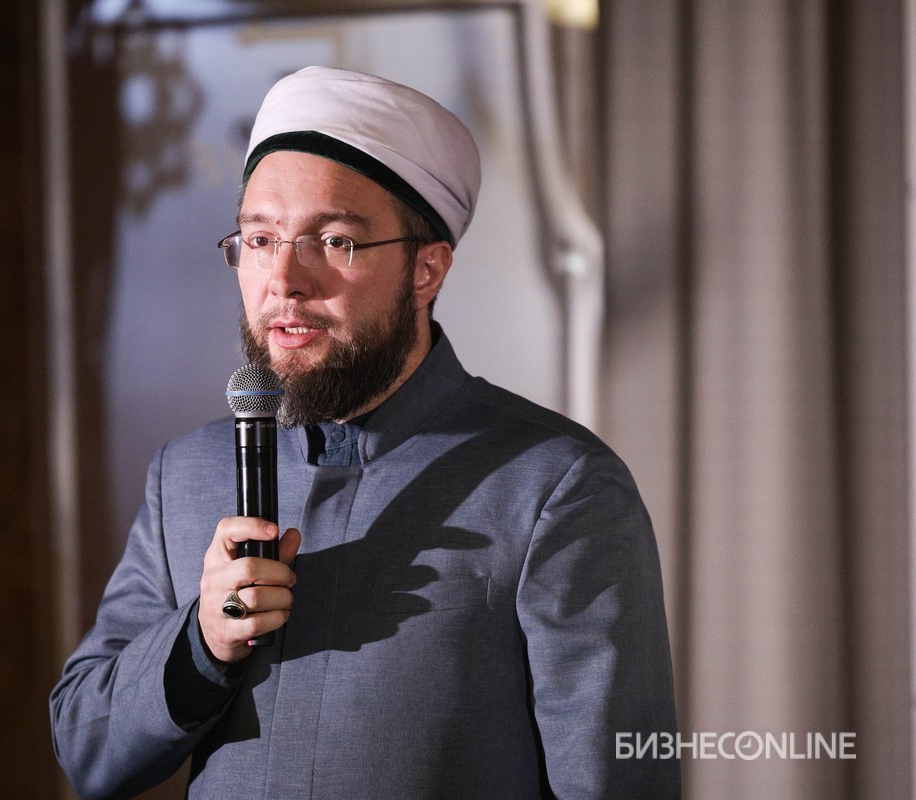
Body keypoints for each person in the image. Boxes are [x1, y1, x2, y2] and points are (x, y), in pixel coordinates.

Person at [51, 66, 679, 799]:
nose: (284, 279)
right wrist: (204, 641)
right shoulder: (187, 473)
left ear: (426, 270)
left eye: (335, 240)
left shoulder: (554, 486)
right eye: (260, 238)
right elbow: (85, 748)